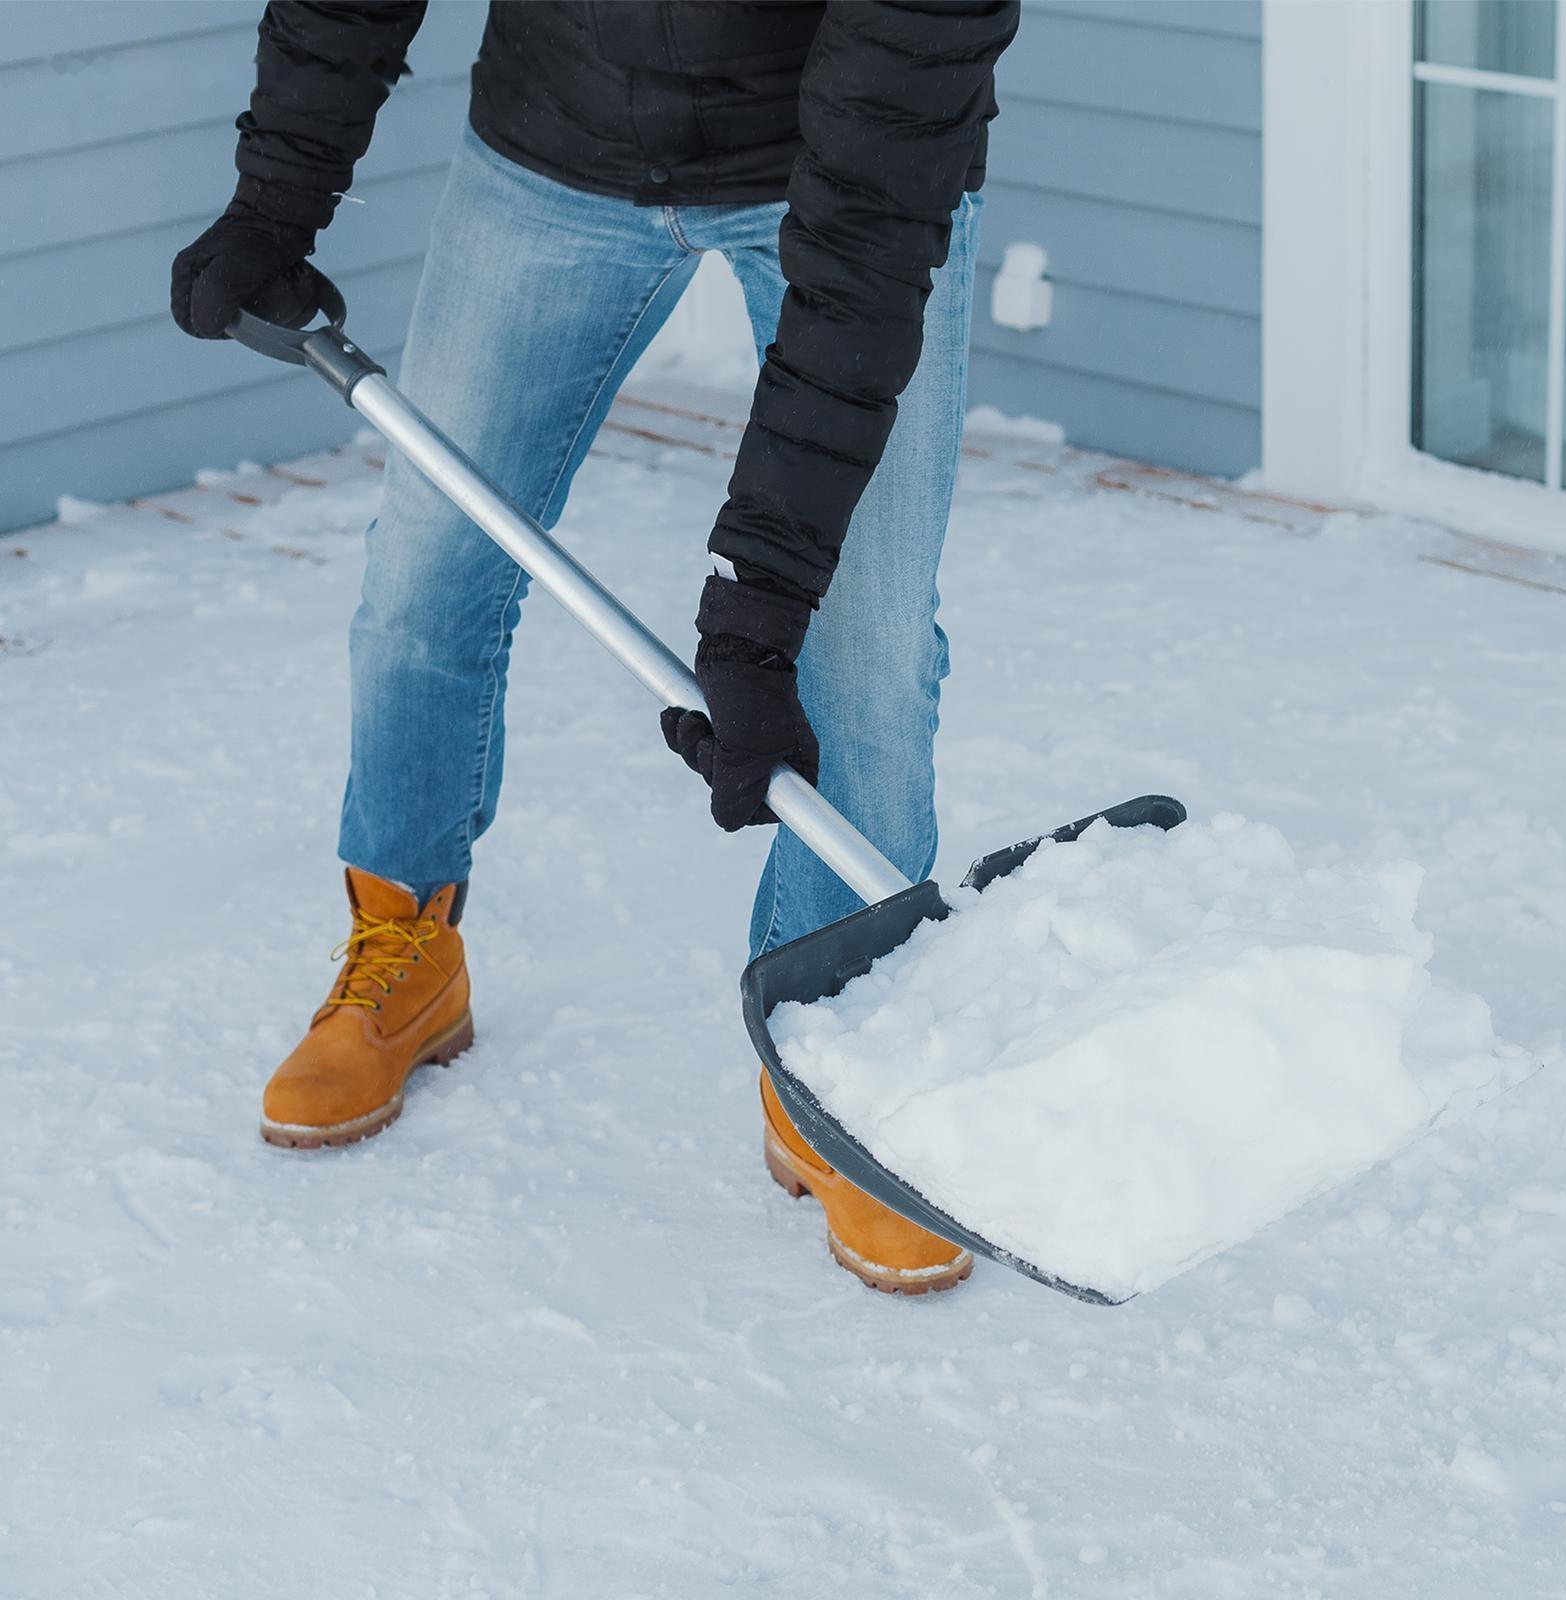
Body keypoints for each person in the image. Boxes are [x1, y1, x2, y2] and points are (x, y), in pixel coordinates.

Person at [172, 0, 1018, 1295]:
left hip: (851, 187)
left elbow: (871, 203)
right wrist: (276, 193)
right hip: (555, 146)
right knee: (424, 578)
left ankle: (832, 1063)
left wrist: (760, 605)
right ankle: (407, 947)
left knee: (868, 655)